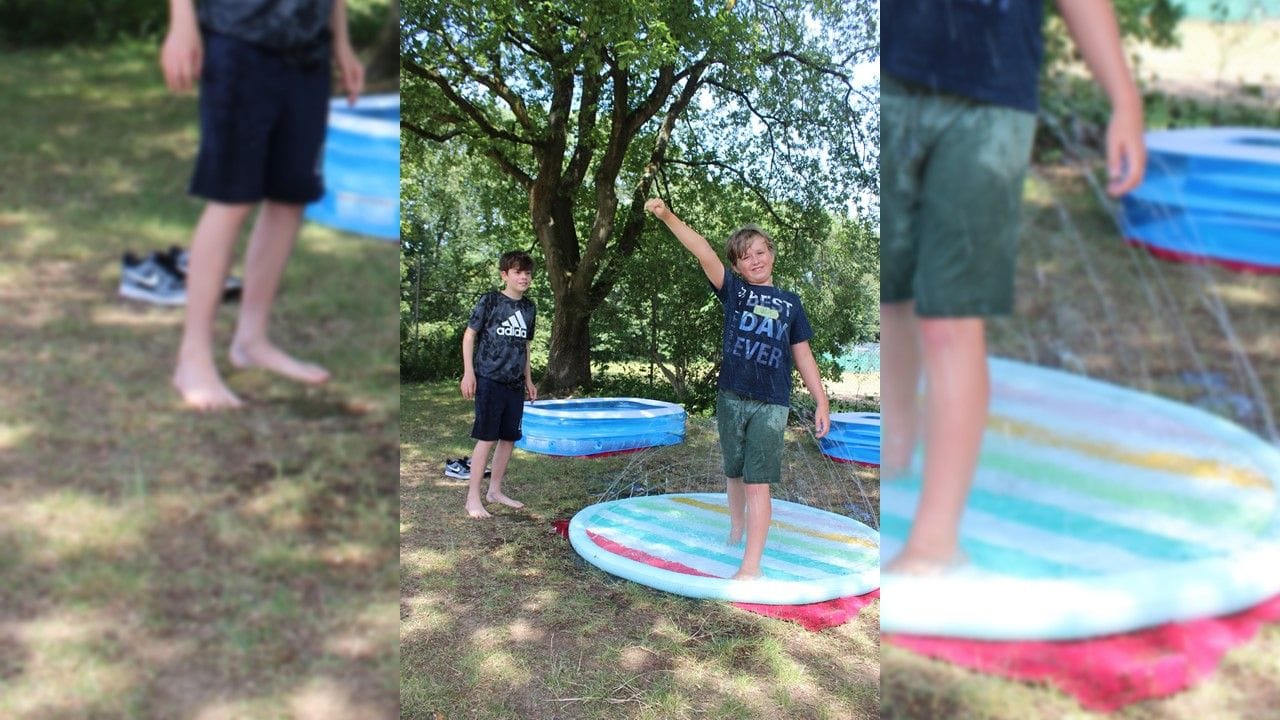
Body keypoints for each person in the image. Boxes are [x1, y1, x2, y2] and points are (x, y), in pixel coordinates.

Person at [880, 0, 1146, 573]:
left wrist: (1124, 100)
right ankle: (897, 445)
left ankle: (934, 543)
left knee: (950, 315)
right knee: (891, 291)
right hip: (890, 72)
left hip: (990, 100)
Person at [160, 0, 365, 409]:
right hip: (238, 39)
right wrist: (182, 22)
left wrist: (341, 42)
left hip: (309, 52)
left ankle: (251, 340)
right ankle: (192, 357)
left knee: (290, 199)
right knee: (232, 198)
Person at [645, 198, 831, 580]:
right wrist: (667, 216)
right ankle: (735, 529)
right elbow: (701, 249)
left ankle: (751, 567)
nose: (755, 260)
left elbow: (804, 355)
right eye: (746, 257)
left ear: (772, 254)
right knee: (733, 472)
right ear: (736, 266)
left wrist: (821, 399)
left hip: (771, 403)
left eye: (761, 252)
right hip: (731, 396)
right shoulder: (735, 292)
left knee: (756, 483)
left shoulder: (791, 304)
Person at [460, 250, 539, 519]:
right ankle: (473, 498)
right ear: (505, 274)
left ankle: (495, 491)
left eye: (527, 273)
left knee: (508, 439)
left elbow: (526, 347)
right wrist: (469, 373)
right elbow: (470, 336)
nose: (524, 277)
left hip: (515, 384)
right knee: (487, 438)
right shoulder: (490, 300)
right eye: (518, 272)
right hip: (489, 379)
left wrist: (528, 380)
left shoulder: (529, 308)